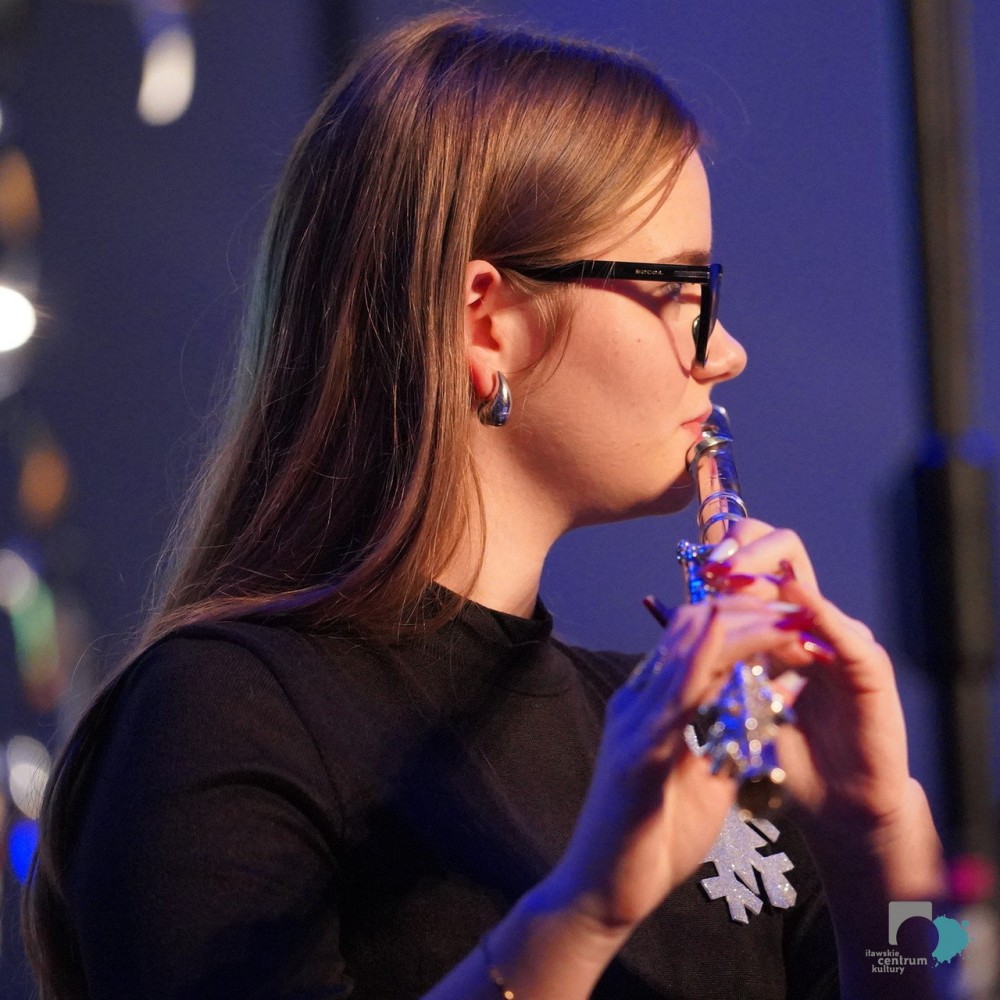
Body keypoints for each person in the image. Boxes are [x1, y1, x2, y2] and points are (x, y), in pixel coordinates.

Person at [23, 12, 945, 1000]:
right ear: (487, 324)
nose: (726, 352)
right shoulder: (218, 715)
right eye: (682, 291)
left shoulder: (680, 738)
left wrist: (880, 843)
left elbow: (920, 968)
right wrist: (585, 910)